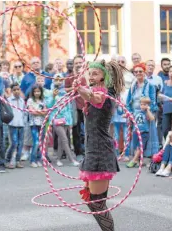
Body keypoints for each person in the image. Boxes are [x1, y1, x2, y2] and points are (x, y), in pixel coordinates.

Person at [73, 59, 125, 231]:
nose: (91, 76)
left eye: (95, 73)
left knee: (97, 203)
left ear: (105, 77)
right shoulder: (97, 92)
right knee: (93, 201)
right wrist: (80, 89)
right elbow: (90, 95)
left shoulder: (106, 94)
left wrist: (80, 88)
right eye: (90, 73)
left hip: (100, 152)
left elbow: (95, 98)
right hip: (93, 150)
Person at [48, 74, 79, 167]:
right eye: (56, 80)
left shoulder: (66, 94)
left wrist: (70, 122)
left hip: (65, 120)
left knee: (62, 141)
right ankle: (72, 159)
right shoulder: (51, 92)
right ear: (53, 81)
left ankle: (58, 159)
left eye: (60, 80)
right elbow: (49, 106)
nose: (59, 82)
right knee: (65, 139)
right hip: (56, 119)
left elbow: (69, 109)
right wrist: (53, 96)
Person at [65, 55, 87, 160]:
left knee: (87, 130)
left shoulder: (87, 75)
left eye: (80, 62)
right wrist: (74, 88)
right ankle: (79, 153)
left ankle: (88, 151)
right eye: (76, 63)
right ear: (73, 65)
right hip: (75, 107)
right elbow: (65, 90)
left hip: (87, 105)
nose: (78, 64)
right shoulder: (70, 77)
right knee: (76, 130)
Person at [126, 97, 156, 168]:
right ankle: (138, 161)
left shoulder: (147, 113)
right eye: (141, 104)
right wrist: (127, 116)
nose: (142, 106)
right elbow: (132, 118)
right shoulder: (137, 112)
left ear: (148, 105)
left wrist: (148, 110)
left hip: (144, 132)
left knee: (140, 147)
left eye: (144, 104)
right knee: (136, 147)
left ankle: (133, 160)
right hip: (136, 132)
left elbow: (152, 119)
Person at [5, 83, 25, 169]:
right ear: (12, 91)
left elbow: (24, 112)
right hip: (12, 124)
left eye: (18, 89)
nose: (16, 91)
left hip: (21, 124)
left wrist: (24, 122)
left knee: (20, 143)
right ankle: (7, 160)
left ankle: (17, 160)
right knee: (14, 143)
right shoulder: (9, 100)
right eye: (14, 90)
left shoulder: (22, 101)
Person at [27, 84, 47, 168]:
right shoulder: (30, 100)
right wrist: (40, 112)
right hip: (34, 124)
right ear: (33, 92)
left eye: (38, 91)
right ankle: (32, 160)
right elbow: (31, 111)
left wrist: (38, 111)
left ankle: (39, 159)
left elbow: (45, 112)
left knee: (41, 142)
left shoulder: (43, 100)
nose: (37, 93)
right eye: (35, 91)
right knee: (35, 142)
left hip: (42, 124)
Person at [159, 65, 172, 139]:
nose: (171, 73)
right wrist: (166, 98)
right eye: (170, 71)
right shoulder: (165, 83)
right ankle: (168, 145)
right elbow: (160, 95)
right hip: (166, 109)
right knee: (165, 130)